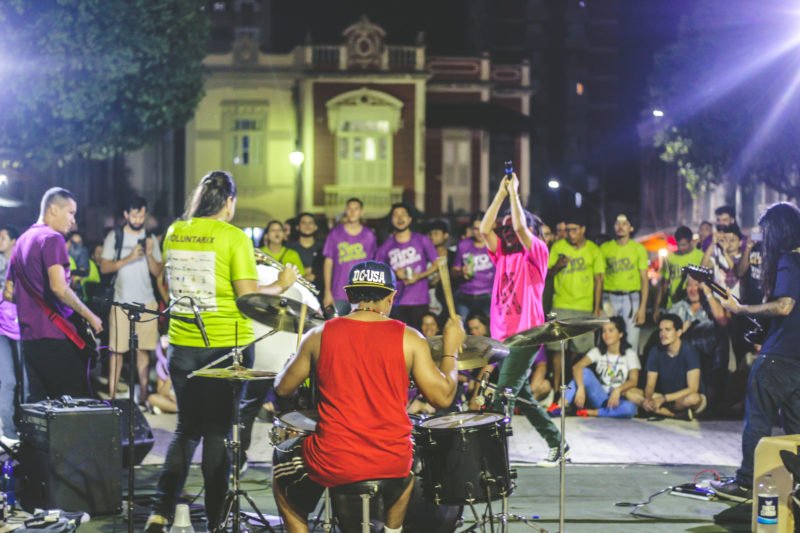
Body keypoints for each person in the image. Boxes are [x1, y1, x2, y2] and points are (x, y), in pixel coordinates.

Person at [145, 171, 297, 532]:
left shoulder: (175, 231)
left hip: (183, 345)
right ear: (229, 202)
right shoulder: (234, 237)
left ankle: (160, 511)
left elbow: (171, 282)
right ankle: (217, 520)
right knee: (218, 433)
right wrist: (282, 283)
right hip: (226, 346)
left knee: (186, 429)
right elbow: (248, 296)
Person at [271, 260, 463, 532]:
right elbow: (443, 397)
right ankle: (392, 530)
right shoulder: (410, 338)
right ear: (391, 297)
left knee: (281, 468)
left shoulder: (318, 335)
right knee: (406, 466)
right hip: (392, 459)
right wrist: (451, 351)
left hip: (335, 460)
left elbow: (282, 388)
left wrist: (294, 359)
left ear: (349, 295)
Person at [711, 202, 800, 503]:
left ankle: (748, 482)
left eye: (766, 230)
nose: (763, 237)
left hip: (777, 358)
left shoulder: (788, 259)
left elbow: (785, 306)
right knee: (796, 430)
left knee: (758, 420)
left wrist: (740, 309)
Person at [479, 172, 567, 467]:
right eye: (504, 228)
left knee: (502, 397)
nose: (507, 231)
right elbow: (483, 228)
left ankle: (494, 459)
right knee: (524, 396)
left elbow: (518, 224)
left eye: (513, 228)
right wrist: (501, 194)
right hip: (503, 337)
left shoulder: (537, 253)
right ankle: (557, 442)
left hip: (527, 334)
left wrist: (515, 193)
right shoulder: (501, 256)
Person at [3, 188, 104, 402]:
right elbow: (59, 287)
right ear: (53, 209)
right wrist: (90, 316)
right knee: (76, 403)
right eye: (70, 212)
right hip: (54, 336)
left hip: (29, 339)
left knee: (42, 409)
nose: (73, 220)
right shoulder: (52, 238)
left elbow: (9, 293)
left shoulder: (21, 241)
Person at [100, 196, 164, 403]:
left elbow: (157, 272)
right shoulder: (115, 236)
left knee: (144, 351)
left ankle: (144, 396)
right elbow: (104, 267)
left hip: (147, 303)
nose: (138, 219)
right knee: (116, 351)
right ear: (126, 215)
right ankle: (111, 397)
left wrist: (148, 254)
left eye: (142, 215)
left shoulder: (151, 239)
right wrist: (129, 258)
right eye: (134, 215)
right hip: (121, 303)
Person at [546, 211, 605, 395]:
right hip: (561, 304)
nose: (570, 234)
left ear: (583, 230)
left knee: (579, 352)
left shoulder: (594, 250)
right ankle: (556, 390)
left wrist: (595, 309)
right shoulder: (558, 246)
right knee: (557, 349)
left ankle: (570, 392)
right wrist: (558, 265)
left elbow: (599, 281)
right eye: (568, 230)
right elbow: (547, 274)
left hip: (583, 307)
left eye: (574, 230)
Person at [561, 317, 643, 418]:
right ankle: (561, 406)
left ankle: (592, 412)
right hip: (600, 396)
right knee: (584, 372)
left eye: (611, 330)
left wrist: (618, 390)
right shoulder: (598, 351)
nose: (606, 335)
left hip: (618, 398)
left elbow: (633, 381)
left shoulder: (630, 354)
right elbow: (577, 367)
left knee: (630, 409)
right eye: (604, 331)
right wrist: (581, 388)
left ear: (621, 334)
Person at [376, 203, 440, 329]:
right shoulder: (386, 245)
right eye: (396, 215)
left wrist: (419, 276)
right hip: (396, 301)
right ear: (391, 220)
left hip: (419, 299)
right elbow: (378, 272)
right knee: (398, 339)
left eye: (403, 215)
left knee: (419, 337)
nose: (400, 218)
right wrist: (393, 274)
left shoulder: (422, 240)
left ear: (410, 219)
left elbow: (436, 264)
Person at [642, 314, 706, 420]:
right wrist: (648, 399)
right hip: (664, 397)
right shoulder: (655, 350)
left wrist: (664, 399)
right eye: (661, 330)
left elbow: (693, 388)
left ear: (679, 332)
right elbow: (650, 384)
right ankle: (674, 415)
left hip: (683, 397)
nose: (663, 334)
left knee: (693, 399)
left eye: (667, 330)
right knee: (631, 394)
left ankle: (662, 411)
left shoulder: (689, 351)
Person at [600, 213, 649, 354]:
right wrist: (599, 306)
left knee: (631, 340)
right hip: (609, 298)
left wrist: (643, 307)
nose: (620, 227)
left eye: (625, 224)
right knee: (608, 337)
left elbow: (644, 279)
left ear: (631, 228)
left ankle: (632, 374)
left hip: (631, 298)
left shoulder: (638, 249)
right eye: (617, 223)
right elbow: (600, 278)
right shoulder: (605, 248)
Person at [322, 198, 377, 317]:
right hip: (338, 293)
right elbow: (328, 263)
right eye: (349, 209)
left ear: (362, 212)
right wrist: (327, 292)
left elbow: (372, 265)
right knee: (335, 330)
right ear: (345, 211)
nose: (352, 212)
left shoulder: (369, 235)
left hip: (362, 295)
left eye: (356, 209)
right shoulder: (335, 234)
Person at [653, 225, 704, 320]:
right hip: (673, 304)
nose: (681, 248)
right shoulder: (670, 258)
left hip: (693, 305)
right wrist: (656, 307)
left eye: (684, 245)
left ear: (691, 241)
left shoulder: (700, 256)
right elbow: (663, 284)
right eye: (678, 244)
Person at [0, 225, 21, 445]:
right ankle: (8, 428)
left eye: (3, 238)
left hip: (23, 328)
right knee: (8, 380)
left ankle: (26, 425)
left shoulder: (22, 264)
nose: (0, 242)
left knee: (25, 381)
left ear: (14, 241)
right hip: (1, 330)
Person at [453, 213, 495, 321]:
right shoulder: (463, 245)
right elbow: (454, 271)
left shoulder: (494, 244)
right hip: (465, 296)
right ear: (472, 229)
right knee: (462, 331)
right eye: (476, 228)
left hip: (488, 296)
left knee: (488, 332)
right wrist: (461, 272)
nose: (480, 232)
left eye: (483, 227)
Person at [287, 212, 324, 292]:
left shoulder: (323, 247)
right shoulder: (290, 248)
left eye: (310, 223)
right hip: (295, 290)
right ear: (297, 227)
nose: (307, 226)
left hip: (319, 291)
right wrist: (304, 273)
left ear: (315, 227)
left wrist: (316, 274)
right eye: (304, 223)